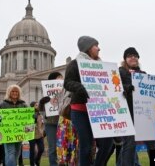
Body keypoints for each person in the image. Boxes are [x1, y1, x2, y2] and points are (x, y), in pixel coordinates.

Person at [64, 36, 113, 166]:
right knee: (86, 146)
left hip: (100, 111)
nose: (99, 48)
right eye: (96, 45)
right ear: (88, 48)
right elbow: (67, 83)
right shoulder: (74, 64)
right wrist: (79, 87)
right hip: (80, 110)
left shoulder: (103, 67)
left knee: (108, 143)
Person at [0, 84, 27, 166]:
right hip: (7, 133)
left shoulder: (23, 104)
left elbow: (29, 117)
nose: (15, 93)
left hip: (19, 132)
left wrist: (34, 117)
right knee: (11, 152)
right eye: (13, 91)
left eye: (16, 91)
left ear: (19, 93)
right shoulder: (3, 104)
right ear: (9, 92)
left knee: (16, 154)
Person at [39, 71, 63, 166]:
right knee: (52, 148)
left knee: (63, 146)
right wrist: (41, 103)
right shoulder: (47, 92)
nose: (61, 79)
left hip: (63, 122)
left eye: (61, 77)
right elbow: (41, 110)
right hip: (50, 123)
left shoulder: (65, 90)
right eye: (59, 77)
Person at [29, 101, 45, 166]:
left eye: (38, 105)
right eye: (36, 105)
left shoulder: (40, 114)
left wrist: (43, 131)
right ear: (32, 106)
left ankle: (36, 160)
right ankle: (32, 164)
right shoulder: (29, 115)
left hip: (39, 135)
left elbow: (42, 124)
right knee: (32, 151)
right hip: (32, 135)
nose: (38, 106)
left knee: (41, 149)